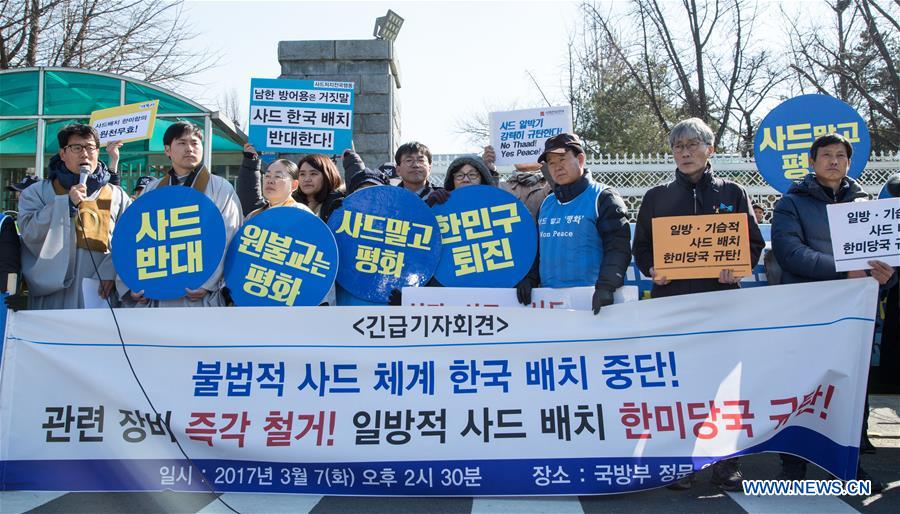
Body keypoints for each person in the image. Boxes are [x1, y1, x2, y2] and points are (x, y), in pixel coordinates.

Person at [632, 118, 764, 491]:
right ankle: (681, 462)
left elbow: (752, 245)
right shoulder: (656, 197)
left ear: (711, 149)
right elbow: (641, 248)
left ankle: (726, 462)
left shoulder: (733, 192)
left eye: (693, 145)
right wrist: (652, 269)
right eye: (678, 147)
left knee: (723, 386)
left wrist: (737, 269)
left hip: (721, 303)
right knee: (677, 385)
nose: (686, 152)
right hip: (673, 305)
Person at [772, 134, 895, 491]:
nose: (833, 161)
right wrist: (842, 270)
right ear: (812, 162)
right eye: (826, 155)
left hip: (853, 314)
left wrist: (886, 278)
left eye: (840, 155)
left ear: (848, 162)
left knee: (850, 389)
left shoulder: (865, 204)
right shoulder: (790, 204)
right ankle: (793, 465)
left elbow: (882, 263)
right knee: (800, 386)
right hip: (807, 309)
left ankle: (848, 466)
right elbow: (789, 252)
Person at [124, 121, 241, 308]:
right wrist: (134, 281)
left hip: (200, 292)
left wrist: (207, 282)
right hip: (158, 288)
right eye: (182, 143)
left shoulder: (221, 188)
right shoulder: (152, 190)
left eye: (195, 143)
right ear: (167, 150)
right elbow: (134, 237)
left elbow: (230, 237)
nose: (190, 148)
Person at [515, 133, 631, 315]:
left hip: (594, 302)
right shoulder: (546, 203)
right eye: (551, 163)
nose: (557, 167)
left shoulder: (603, 197)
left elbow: (617, 248)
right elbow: (537, 251)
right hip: (550, 303)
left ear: (581, 159)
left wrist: (606, 286)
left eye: (562, 159)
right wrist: (529, 279)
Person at [18, 123, 131, 309]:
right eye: (77, 148)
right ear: (63, 154)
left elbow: (129, 237)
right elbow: (29, 232)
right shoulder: (36, 192)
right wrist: (65, 204)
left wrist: (111, 271)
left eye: (90, 147)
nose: (85, 153)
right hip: (51, 293)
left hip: (99, 291)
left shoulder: (117, 195)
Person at [483, 145, 551, 219]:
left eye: (531, 148)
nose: (525, 153)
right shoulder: (502, 187)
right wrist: (488, 172)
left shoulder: (553, 183)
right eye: (520, 150)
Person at [244, 159, 312, 221]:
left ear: (294, 185)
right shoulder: (253, 216)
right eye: (267, 176)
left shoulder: (302, 214)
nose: (270, 181)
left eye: (278, 176)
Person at [394, 141, 449, 206]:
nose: (416, 165)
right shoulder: (389, 198)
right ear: (398, 170)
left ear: (430, 168)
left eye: (421, 160)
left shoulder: (444, 196)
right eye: (409, 160)